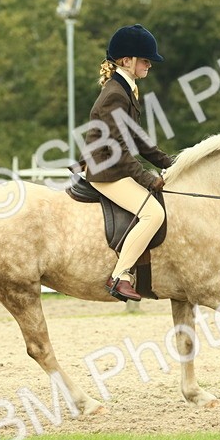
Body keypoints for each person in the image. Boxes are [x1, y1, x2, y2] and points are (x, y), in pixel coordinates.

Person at [84, 24, 174, 301]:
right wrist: (148, 178)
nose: (149, 64)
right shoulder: (115, 94)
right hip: (106, 171)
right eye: (145, 59)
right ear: (127, 61)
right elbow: (122, 151)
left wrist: (169, 162)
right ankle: (120, 275)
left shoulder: (126, 89)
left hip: (113, 166)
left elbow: (137, 138)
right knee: (152, 213)